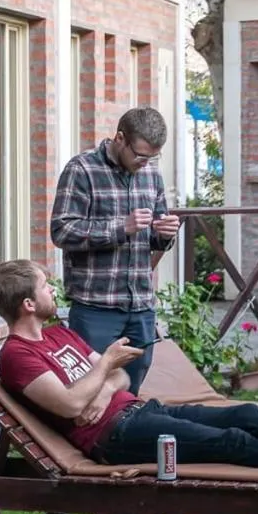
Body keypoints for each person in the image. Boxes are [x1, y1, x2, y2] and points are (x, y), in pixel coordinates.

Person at [0, 260, 258, 480]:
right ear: (28, 303)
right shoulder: (17, 355)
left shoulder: (60, 335)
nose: (52, 291)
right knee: (233, 441)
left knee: (246, 413)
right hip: (115, 438)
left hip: (139, 411)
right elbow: (67, 404)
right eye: (45, 286)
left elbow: (119, 379)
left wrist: (101, 381)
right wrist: (105, 371)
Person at [50, 107, 181, 396]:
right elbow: (61, 231)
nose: (145, 163)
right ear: (120, 138)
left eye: (152, 157)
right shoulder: (82, 169)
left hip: (141, 306)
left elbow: (155, 238)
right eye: (140, 155)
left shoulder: (151, 177)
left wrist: (164, 235)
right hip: (96, 307)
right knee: (90, 390)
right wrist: (120, 228)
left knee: (130, 392)